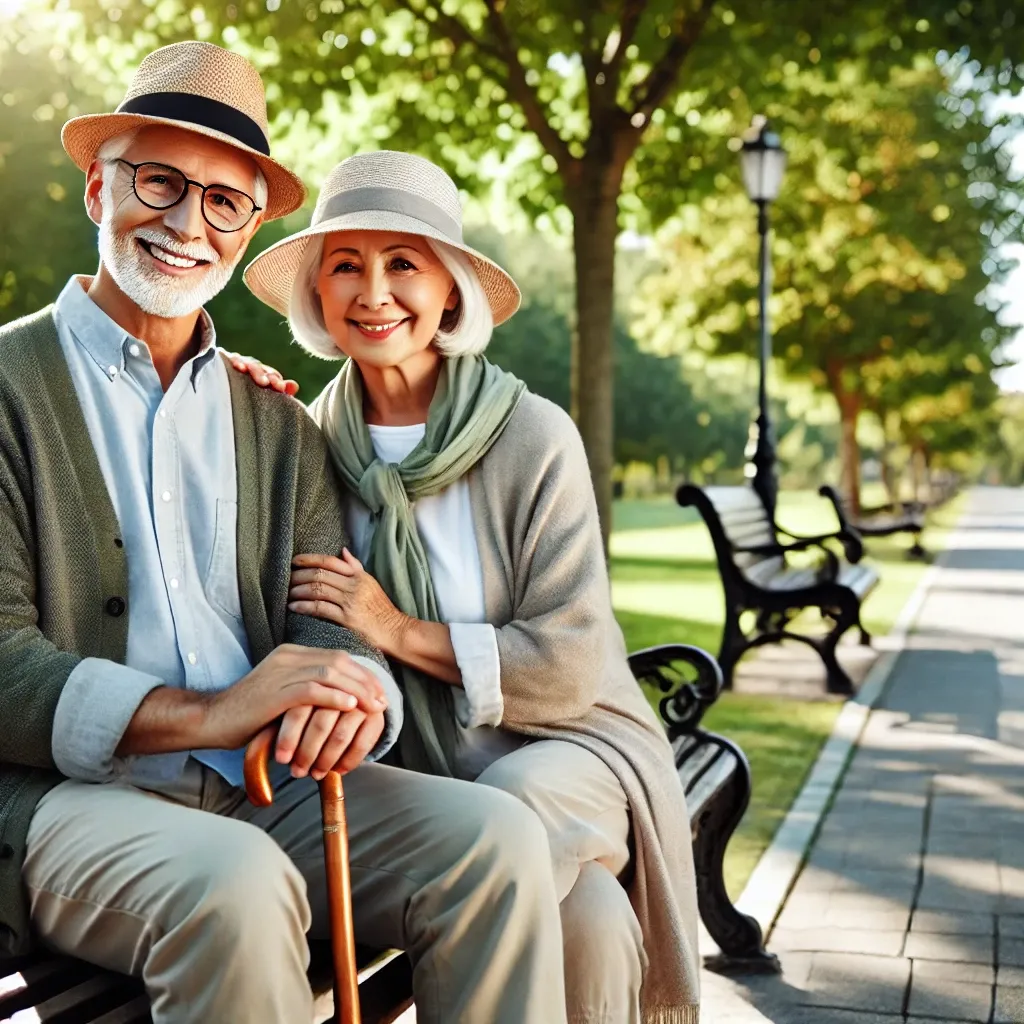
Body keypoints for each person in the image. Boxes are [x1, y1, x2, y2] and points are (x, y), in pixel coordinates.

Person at [0, 41, 569, 1024]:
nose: (188, 223)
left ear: (251, 225)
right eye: (159, 181)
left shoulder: (274, 421)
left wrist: (339, 693)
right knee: (236, 883)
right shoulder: (10, 389)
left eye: (225, 200)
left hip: (264, 789)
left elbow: (328, 620)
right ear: (98, 188)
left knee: (499, 840)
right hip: (56, 804)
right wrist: (207, 713)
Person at [238, 149, 703, 1023]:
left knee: (505, 814)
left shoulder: (533, 436)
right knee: (592, 916)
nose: (373, 291)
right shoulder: (303, 445)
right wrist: (234, 399)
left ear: (449, 289)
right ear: (319, 295)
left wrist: (393, 627)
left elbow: (569, 664)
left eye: (402, 263)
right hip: (417, 773)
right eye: (346, 265)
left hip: (571, 754)